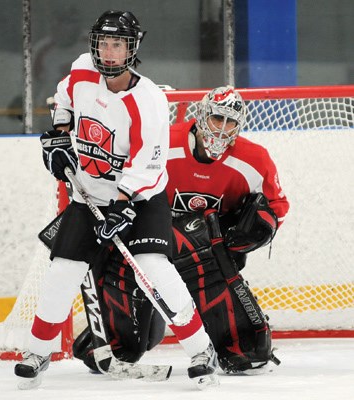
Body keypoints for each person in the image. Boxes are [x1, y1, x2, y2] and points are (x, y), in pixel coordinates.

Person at [14, 10, 218, 390]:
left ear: (131, 49)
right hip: (89, 194)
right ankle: (37, 351)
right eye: (104, 43)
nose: (108, 53)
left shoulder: (149, 100)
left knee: (154, 269)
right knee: (63, 270)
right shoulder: (81, 70)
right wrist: (60, 135)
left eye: (117, 45)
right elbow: (64, 99)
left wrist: (124, 202)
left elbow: (149, 165)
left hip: (141, 201)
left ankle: (201, 350)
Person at [72, 85, 289, 376]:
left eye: (231, 122)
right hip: (147, 241)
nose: (223, 128)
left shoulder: (254, 160)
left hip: (208, 254)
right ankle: (113, 336)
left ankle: (232, 337)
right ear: (201, 115)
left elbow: (277, 206)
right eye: (217, 118)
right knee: (130, 335)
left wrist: (255, 229)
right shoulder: (163, 144)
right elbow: (120, 183)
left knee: (247, 351)